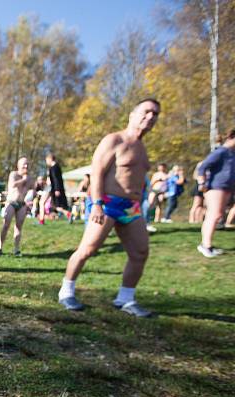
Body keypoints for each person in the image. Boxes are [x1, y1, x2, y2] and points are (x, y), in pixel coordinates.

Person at [58, 98, 161, 317]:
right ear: (132, 114)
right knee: (87, 249)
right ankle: (66, 291)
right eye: (146, 112)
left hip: (131, 208)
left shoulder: (142, 149)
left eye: (155, 114)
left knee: (140, 252)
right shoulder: (114, 140)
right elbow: (96, 173)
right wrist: (96, 204)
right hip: (106, 203)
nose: (150, 117)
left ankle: (125, 299)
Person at [197, 129, 235, 258]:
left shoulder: (232, 154)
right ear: (230, 138)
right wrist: (202, 182)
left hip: (226, 187)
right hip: (215, 186)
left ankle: (207, 244)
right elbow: (203, 166)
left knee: (217, 215)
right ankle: (205, 245)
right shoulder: (221, 152)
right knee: (215, 215)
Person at [0, 157, 35, 257]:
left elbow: (33, 189)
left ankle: (16, 249)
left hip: (22, 204)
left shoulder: (30, 178)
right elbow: (12, 185)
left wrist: (31, 195)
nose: (26, 166)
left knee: (18, 227)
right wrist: (23, 180)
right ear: (18, 166)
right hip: (11, 202)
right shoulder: (14, 174)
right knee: (6, 225)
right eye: (24, 165)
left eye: (27, 165)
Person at [45, 153, 71, 222]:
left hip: (55, 189)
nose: (46, 162)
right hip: (56, 188)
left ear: (50, 159)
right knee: (54, 204)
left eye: (47, 160)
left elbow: (55, 179)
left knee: (56, 205)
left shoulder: (53, 168)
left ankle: (68, 214)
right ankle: (56, 216)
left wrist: (57, 189)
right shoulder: (57, 167)